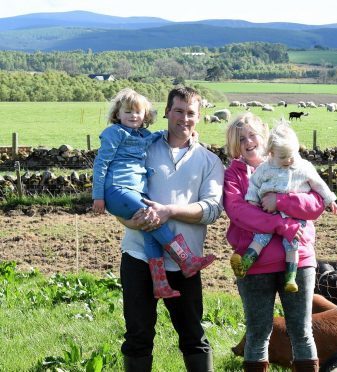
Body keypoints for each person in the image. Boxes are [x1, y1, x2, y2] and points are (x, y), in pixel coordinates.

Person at [117, 87, 224, 371]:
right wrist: (128, 221)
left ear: (199, 117)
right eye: (178, 111)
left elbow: (212, 209)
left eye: (190, 113)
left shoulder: (210, 162)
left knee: (193, 335)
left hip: (184, 263)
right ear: (166, 112)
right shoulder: (142, 147)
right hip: (138, 256)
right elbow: (121, 190)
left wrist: (169, 211)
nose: (184, 118)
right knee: (138, 335)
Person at [223, 112, 326, 371]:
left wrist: (281, 202)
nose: (248, 142)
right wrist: (283, 225)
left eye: (252, 135)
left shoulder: (293, 162)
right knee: (258, 332)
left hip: (299, 259)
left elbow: (316, 204)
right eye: (241, 138)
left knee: (301, 331)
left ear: (265, 135)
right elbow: (239, 212)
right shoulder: (233, 175)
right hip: (255, 266)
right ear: (234, 144)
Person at [92, 88, 215, 299]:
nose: (133, 116)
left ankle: (160, 284)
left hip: (132, 191)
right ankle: (185, 259)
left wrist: (189, 135)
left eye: (137, 112)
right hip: (119, 190)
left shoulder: (147, 138)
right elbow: (101, 163)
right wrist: (98, 196)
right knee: (155, 217)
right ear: (118, 114)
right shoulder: (115, 133)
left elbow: (213, 210)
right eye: (128, 112)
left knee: (150, 232)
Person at [231, 123, 337, 293]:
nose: (289, 160)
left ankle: (291, 278)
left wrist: (329, 199)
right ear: (272, 153)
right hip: (268, 217)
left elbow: (319, 187)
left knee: (292, 243)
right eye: (283, 158)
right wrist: (252, 201)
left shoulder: (303, 167)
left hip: (296, 221)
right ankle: (245, 263)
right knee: (260, 237)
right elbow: (252, 188)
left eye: (292, 155)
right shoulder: (263, 169)